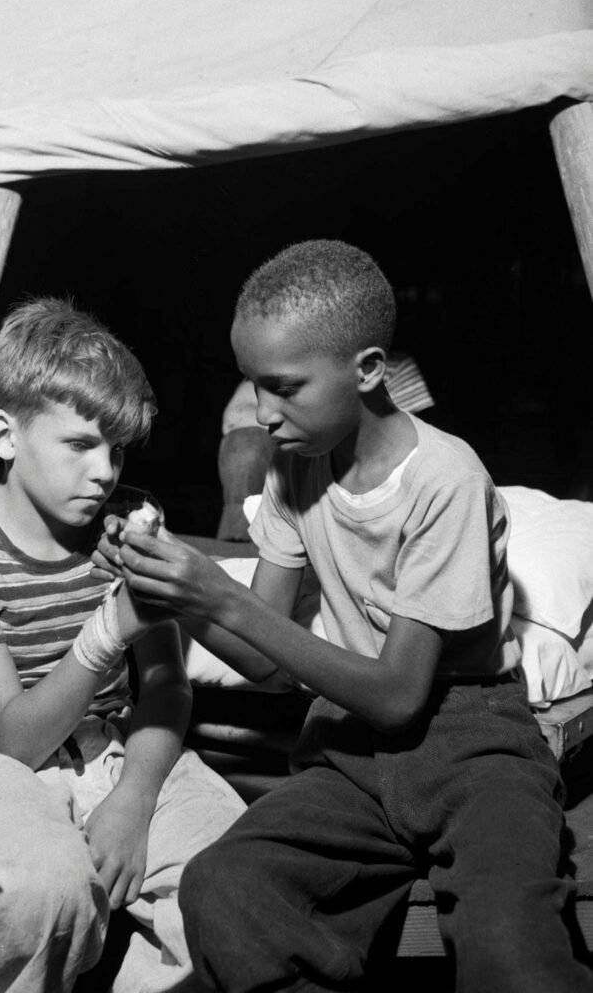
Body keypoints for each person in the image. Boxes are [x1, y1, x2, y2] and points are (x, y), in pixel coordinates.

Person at [93, 241, 593, 993]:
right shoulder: (295, 465)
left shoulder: (444, 479)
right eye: (253, 387)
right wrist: (175, 594)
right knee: (222, 884)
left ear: (365, 371)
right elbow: (265, 658)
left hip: (470, 740)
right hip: (346, 749)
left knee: (508, 934)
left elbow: (399, 695)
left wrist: (217, 595)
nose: (263, 414)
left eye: (284, 387)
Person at [0, 298, 246, 993]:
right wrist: (107, 628)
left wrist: (133, 797)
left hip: (115, 740)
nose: (104, 472)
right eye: (80, 445)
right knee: (42, 889)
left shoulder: (124, 525)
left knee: (236, 882)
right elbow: (12, 742)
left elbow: (167, 686)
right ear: (4, 435)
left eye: (116, 449)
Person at [216, 356, 434, 541]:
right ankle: (237, 544)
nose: (264, 415)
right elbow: (234, 419)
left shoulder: (399, 367)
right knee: (246, 445)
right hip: (298, 453)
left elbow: (403, 432)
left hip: (360, 457)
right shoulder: (281, 362)